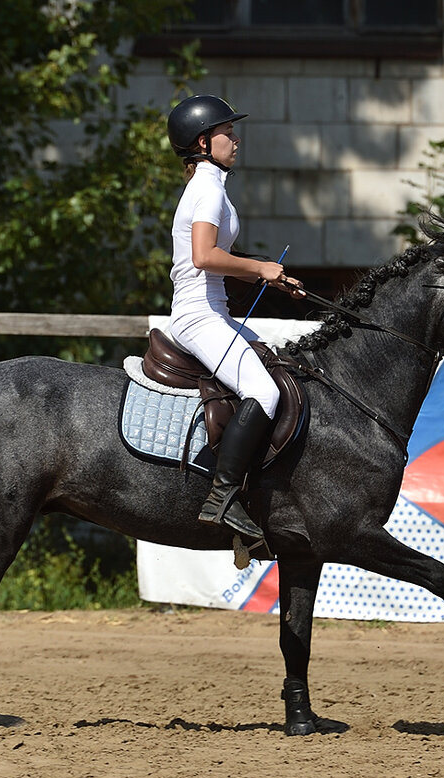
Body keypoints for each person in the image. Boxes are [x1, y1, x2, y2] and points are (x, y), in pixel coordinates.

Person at [165, 94, 304, 563]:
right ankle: (221, 498)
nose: (235, 139)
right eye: (227, 131)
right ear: (204, 142)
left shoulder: (212, 185)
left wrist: (275, 278)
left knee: (277, 363)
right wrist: (259, 267)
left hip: (213, 311)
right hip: (197, 316)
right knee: (263, 394)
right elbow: (204, 257)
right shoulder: (206, 188)